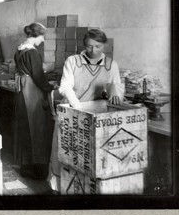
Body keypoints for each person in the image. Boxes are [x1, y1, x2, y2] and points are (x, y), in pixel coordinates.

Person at [47, 29, 125, 192]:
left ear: (104, 45)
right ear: (84, 45)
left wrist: (115, 96)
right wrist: (77, 107)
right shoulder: (73, 61)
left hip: (95, 113)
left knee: (89, 155)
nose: (93, 51)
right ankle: (61, 187)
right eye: (89, 46)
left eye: (98, 46)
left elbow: (116, 86)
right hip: (72, 111)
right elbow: (65, 86)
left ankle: (86, 188)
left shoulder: (111, 65)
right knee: (65, 150)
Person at [13, 22, 55, 180]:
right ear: (37, 35)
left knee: (25, 128)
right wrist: (49, 87)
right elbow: (38, 76)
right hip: (31, 91)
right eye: (42, 37)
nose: (43, 40)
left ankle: (26, 166)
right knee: (36, 128)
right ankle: (38, 169)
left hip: (21, 90)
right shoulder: (32, 52)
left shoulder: (19, 49)